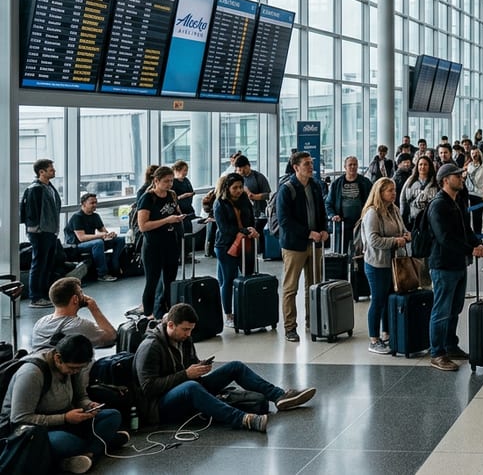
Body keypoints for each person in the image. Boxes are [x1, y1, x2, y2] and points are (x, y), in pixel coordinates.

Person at [135, 303, 316, 433]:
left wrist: (198, 369)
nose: (188, 334)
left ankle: (279, 396)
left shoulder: (184, 339)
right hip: (160, 405)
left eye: (191, 330)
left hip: (187, 386)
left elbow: (189, 370)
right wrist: (186, 375)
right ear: (170, 325)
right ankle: (243, 419)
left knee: (234, 367)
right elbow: (148, 388)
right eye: (185, 330)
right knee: (192, 387)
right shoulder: (151, 347)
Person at [1, 334, 126, 474]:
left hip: (67, 421)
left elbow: (80, 397)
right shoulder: (32, 373)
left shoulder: (74, 367)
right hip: (37, 431)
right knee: (68, 442)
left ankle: (87, 455)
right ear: (58, 358)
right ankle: (101, 444)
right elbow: (19, 418)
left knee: (112, 415)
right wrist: (65, 418)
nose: (76, 372)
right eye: (73, 368)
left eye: (80, 368)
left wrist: (89, 405)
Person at [427, 164, 483, 372]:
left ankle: (450, 345)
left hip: (458, 264)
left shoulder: (457, 201)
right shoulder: (438, 205)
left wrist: (477, 243)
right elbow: (445, 238)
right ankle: (437, 352)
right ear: (445, 180)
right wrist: (470, 250)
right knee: (442, 310)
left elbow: (466, 230)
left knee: (454, 308)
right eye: (457, 176)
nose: (461, 178)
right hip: (443, 265)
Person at [276, 151, 331, 343]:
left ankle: (312, 321)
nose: (310, 166)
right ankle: (290, 327)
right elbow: (284, 220)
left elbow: (322, 212)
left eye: (311, 163)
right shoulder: (287, 189)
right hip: (294, 246)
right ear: (296, 167)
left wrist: (324, 229)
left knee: (314, 285)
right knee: (290, 287)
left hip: (315, 244)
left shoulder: (315, 186)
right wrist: (308, 233)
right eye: (306, 164)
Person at [360, 177, 411, 355]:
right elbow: (373, 240)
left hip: (393, 263)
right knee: (378, 300)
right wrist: (395, 241)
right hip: (377, 264)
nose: (394, 193)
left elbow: (402, 227)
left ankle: (387, 334)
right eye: (390, 191)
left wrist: (406, 235)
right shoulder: (372, 213)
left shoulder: (394, 209)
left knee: (389, 298)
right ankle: (374, 339)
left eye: (394, 190)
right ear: (380, 193)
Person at [137, 166, 186, 319]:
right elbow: (143, 225)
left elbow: (175, 211)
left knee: (170, 281)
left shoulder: (172, 195)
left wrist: (178, 218)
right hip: (153, 245)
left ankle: (166, 312)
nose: (169, 184)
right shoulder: (147, 198)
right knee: (152, 282)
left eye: (171, 181)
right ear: (156, 181)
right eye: (166, 181)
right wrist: (167, 220)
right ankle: (148, 315)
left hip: (170, 242)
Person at [213, 173, 259, 327]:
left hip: (246, 243)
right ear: (227, 188)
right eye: (235, 188)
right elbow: (224, 228)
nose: (239, 190)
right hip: (225, 246)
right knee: (228, 279)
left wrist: (251, 230)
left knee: (248, 275)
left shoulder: (245, 201)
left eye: (240, 187)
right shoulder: (219, 204)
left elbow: (252, 219)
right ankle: (228, 314)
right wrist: (245, 230)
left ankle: (246, 309)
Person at [31, 277, 117, 350]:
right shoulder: (80, 326)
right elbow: (112, 337)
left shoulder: (40, 323)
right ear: (75, 299)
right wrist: (94, 308)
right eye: (81, 292)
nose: (84, 295)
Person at [23, 158, 62, 308]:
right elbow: (31, 212)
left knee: (47, 263)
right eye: (51, 169)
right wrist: (37, 230)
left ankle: (44, 294)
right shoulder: (35, 189)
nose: (54, 171)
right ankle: (35, 297)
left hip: (49, 231)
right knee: (39, 263)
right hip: (40, 232)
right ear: (42, 172)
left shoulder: (49, 187)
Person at [64, 192, 125, 282]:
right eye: (92, 203)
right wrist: (99, 236)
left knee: (120, 240)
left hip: (90, 243)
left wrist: (110, 235)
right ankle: (102, 274)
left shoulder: (95, 216)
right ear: (84, 204)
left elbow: (104, 232)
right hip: (77, 245)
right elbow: (81, 238)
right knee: (98, 243)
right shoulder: (77, 217)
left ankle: (115, 265)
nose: (95, 205)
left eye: (95, 202)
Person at [325, 155, 371, 253]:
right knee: (342, 251)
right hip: (342, 224)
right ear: (345, 167)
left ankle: (358, 268)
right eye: (350, 165)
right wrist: (332, 215)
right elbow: (328, 203)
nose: (353, 167)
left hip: (361, 223)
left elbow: (372, 201)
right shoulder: (336, 184)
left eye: (355, 165)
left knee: (360, 251)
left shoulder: (365, 182)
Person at [400, 155, 436, 227]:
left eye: (425, 164)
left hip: (430, 220)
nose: (423, 167)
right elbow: (403, 199)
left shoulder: (435, 182)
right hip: (414, 220)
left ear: (429, 166)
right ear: (417, 166)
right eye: (420, 164)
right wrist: (403, 217)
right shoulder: (410, 181)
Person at [465, 149, 483, 235]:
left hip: (479, 194)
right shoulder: (469, 165)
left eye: (476, 153)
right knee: (468, 216)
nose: (474, 155)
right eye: (472, 153)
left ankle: (478, 236)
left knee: (477, 217)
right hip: (469, 193)